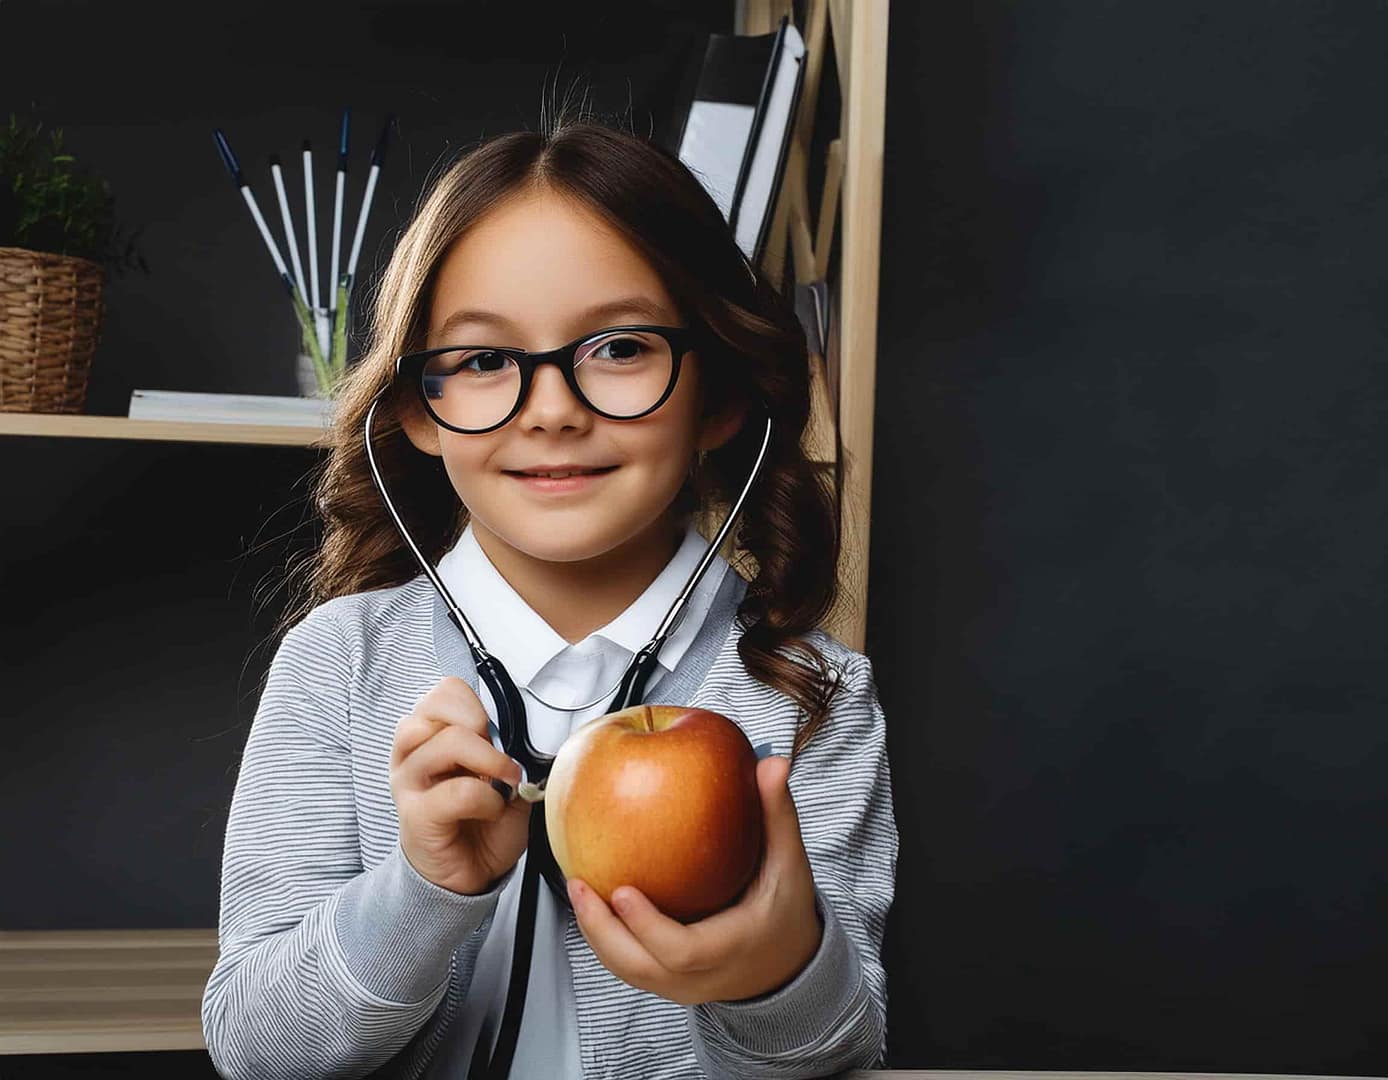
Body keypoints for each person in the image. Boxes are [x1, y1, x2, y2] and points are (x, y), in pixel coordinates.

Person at [201, 110, 898, 1080]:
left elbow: (835, 1052)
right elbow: (254, 1047)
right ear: (416, 411)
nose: (553, 410)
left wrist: (774, 972)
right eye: (483, 361)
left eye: (619, 348)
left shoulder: (809, 697)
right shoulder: (340, 665)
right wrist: (421, 892)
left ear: (722, 395)